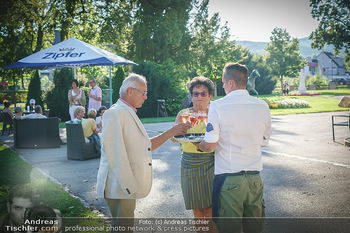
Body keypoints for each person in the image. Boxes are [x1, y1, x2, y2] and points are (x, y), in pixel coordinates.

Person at [96, 73, 191, 231]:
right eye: (144, 93)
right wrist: (129, 187)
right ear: (130, 91)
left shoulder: (127, 112)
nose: (146, 97)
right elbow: (115, 155)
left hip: (122, 187)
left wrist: (173, 131)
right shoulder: (115, 113)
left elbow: (147, 146)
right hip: (119, 186)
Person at [195, 63, 271, 233]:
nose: (222, 86)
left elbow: (209, 145)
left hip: (229, 179)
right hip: (254, 179)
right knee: (254, 229)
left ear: (230, 83)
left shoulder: (218, 106)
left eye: (222, 83)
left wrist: (197, 144)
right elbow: (264, 140)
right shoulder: (263, 106)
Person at [171, 76, 215, 220]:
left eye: (203, 93)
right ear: (191, 96)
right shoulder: (183, 114)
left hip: (212, 163)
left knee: (210, 210)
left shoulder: (215, 114)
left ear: (210, 96)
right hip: (189, 164)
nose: (199, 97)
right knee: (197, 211)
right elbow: (173, 139)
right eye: (196, 93)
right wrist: (180, 130)